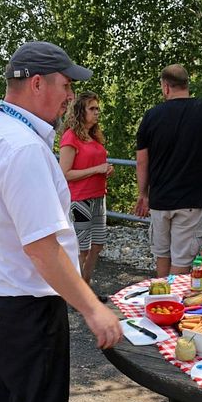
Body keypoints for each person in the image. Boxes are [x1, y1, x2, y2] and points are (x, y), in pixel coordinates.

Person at [0, 41, 123, 402]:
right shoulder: (24, 149)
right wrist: (93, 308)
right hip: (25, 306)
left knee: (6, 393)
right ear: (37, 83)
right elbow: (42, 248)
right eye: (66, 85)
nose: (71, 96)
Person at [134, 64, 202, 278]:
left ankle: (161, 303)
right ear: (186, 85)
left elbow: (141, 162)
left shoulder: (151, 116)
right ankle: (171, 305)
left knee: (162, 256)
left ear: (165, 87)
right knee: (182, 261)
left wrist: (143, 195)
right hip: (191, 202)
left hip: (160, 201)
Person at [58, 91, 113, 301]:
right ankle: (77, 295)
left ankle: (86, 288)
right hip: (80, 200)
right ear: (81, 111)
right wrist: (97, 169)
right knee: (81, 249)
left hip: (99, 197)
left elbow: (95, 165)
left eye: (97, 108)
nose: (97, 112)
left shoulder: (94, 136)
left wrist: (105, 169)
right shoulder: (70, 136)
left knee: (97, 245)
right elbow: (64, 173)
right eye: (92, 108)